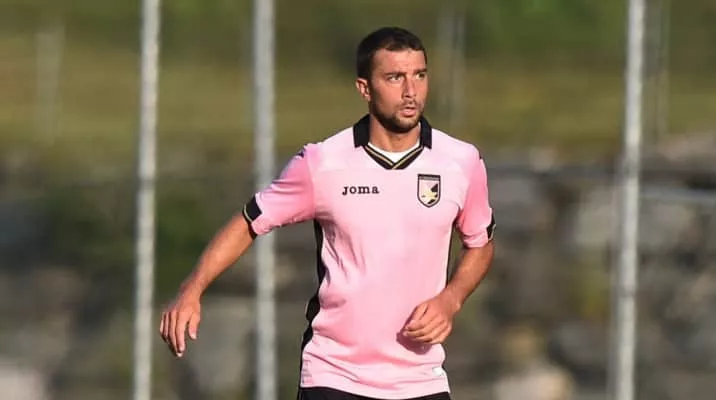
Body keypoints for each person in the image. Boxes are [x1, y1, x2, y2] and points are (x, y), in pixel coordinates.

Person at [159, 26, 495, 400]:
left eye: (419, 75)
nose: (410, 91)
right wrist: (193, 288)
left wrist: (451, 299)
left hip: (421, 380)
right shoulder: (322, 163)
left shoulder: (461, 162)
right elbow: (248, 222)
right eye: (394, 77)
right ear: (365, 88)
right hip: (335, 375)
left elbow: (480, 243)